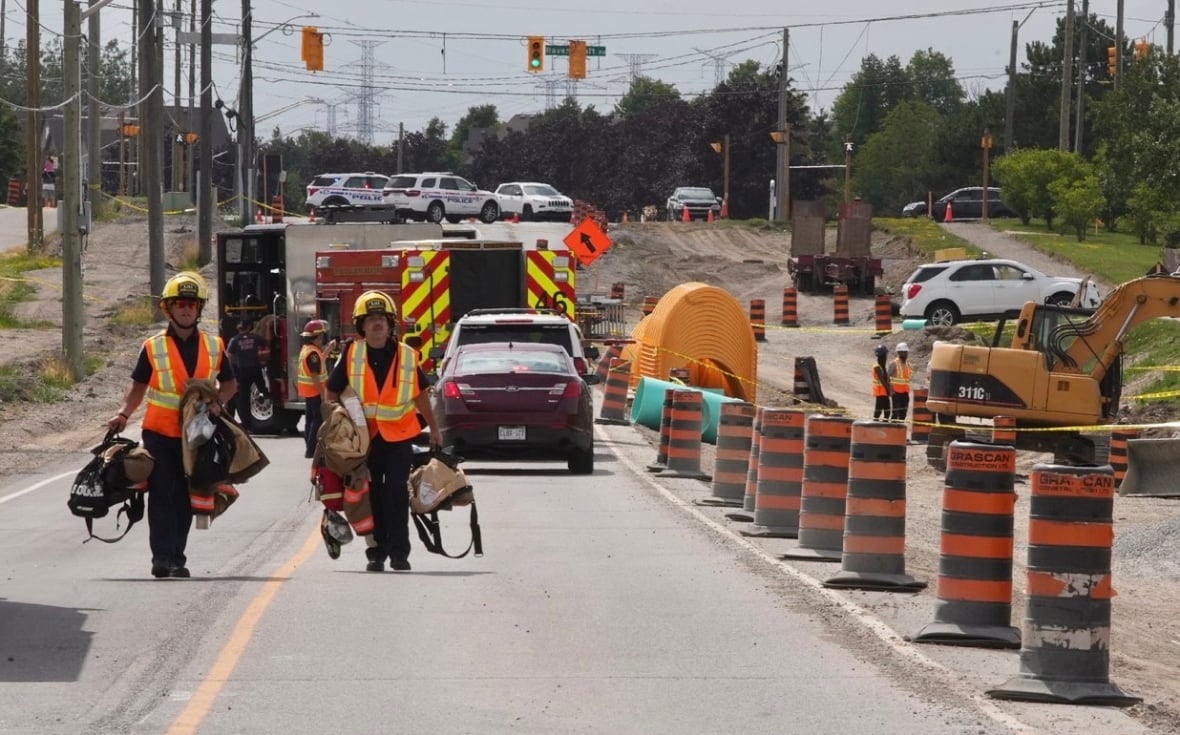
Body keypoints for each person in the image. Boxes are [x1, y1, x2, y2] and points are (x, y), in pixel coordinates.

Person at [107, 272, 237, 579]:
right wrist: (123, 415)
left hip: (197, 435)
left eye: (192, 304)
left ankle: (177, 557)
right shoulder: (152, 347)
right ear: (169, 308)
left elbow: (230, 384)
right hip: (160, 433)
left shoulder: (215, 345)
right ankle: (162, 558)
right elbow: (138, 387)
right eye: (180, 303)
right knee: (162, 493)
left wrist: (218, 402)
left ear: (199, 308)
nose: (186, 309)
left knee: (184, 496)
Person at [325, 290, 441, 573]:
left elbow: (420, 395)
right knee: (372, 495)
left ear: (390, 324)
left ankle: (399, 554)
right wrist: (336, 422)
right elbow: (331, 391)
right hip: (364, 440)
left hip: (399, 437)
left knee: (396, 494)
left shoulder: (408, 356)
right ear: (361, 326)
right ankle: (376, 553)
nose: (377, 323)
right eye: (370, 319)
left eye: (382, 318)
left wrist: (435, 429)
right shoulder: (351, 353)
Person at [297, 318, 337, 458]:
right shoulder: (313, 353)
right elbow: (315, 375)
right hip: (315, 392)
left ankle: (309, 448)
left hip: (308, 392)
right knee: (317, 420)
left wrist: (328, 349)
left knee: (310, 420)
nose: (322, 338)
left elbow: (319, 362)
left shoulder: (308, 350)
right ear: (318, 336)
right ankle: (312, 449)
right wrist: (322, 394)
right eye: (321, 335)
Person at [225, 318, 266, 431]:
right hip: (256, 370)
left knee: (244, 399)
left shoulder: (234, 340)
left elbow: (230, 357)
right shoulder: (256, 338)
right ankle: (268, 399)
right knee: (263, 390)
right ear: (249, 327)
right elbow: (266, 342)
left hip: (242, 372)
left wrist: (232, 373)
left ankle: (247, 425)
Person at [888, 342, 912, 422]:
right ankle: (893, 427)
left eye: (906, 352)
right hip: (896, 393)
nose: (906, 353)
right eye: (904, 352)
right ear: (899, 352)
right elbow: (887, 377)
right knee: (895, 413)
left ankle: (900, 427)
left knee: (903, 413)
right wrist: (890, 390)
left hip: (905, 392)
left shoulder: (908, 364)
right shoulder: (894, 363)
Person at [871, 343, 893, 420]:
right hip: (880, 392)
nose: (886, 357)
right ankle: (874, 424)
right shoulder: (877, 367)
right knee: (878, 411)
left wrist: (889, 389)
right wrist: (889, 390)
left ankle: (884, 425)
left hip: (884, 392)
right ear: (881, 356)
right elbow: (882, 380)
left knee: (887, 412)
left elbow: (886, 379)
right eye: (885, 355)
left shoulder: (883, 367)